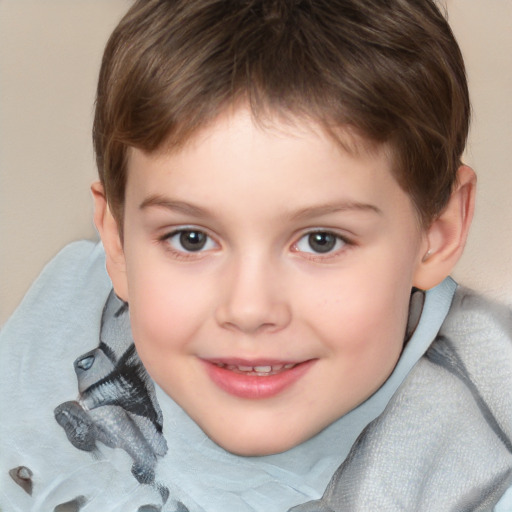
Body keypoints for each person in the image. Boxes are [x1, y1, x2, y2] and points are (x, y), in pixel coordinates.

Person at [1, 0, 511, 510]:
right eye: (191, 239)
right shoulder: (65, 324)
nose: (249, 309)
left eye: (321, 241)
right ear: (117, 241)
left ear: (437, 232)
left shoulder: (479, 461)